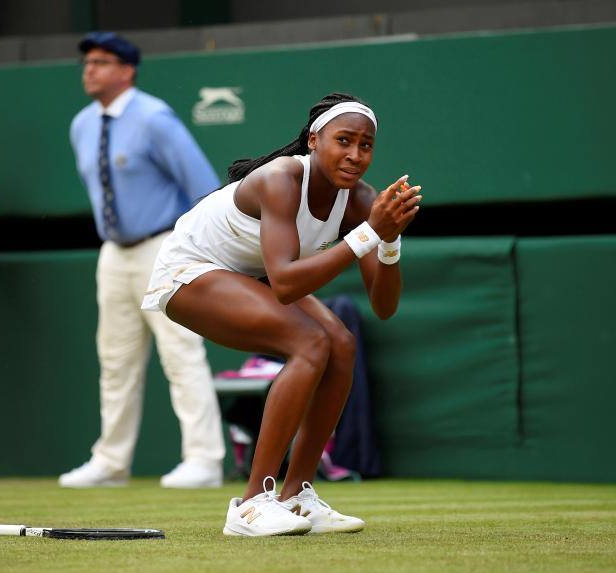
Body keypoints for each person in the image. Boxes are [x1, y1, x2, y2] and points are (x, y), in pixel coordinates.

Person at [142, 93, 422, 536]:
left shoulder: (362, 200)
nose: (354, 155)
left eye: (365, 145)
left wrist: (388, 241)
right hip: (189, 271)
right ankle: (251, 503)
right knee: (310, 342)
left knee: (342, 344)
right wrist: (368, 233)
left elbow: (384, 307)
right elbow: (288, 283)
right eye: (342, 140)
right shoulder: (280, 179)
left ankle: (296, 496)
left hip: (252, 275)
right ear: (314, 140)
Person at [59, 32, 225, 489]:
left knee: (181, 353)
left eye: (102, 61)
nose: (90, 69)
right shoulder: (81, 124)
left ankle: (205, 461)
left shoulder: (155, 118)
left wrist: (199, 252)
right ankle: (111, 462)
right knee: (115, 360)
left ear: (128, 70)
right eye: (87, 61)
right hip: (113, 253)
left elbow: (204, 186)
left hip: (164, 247)